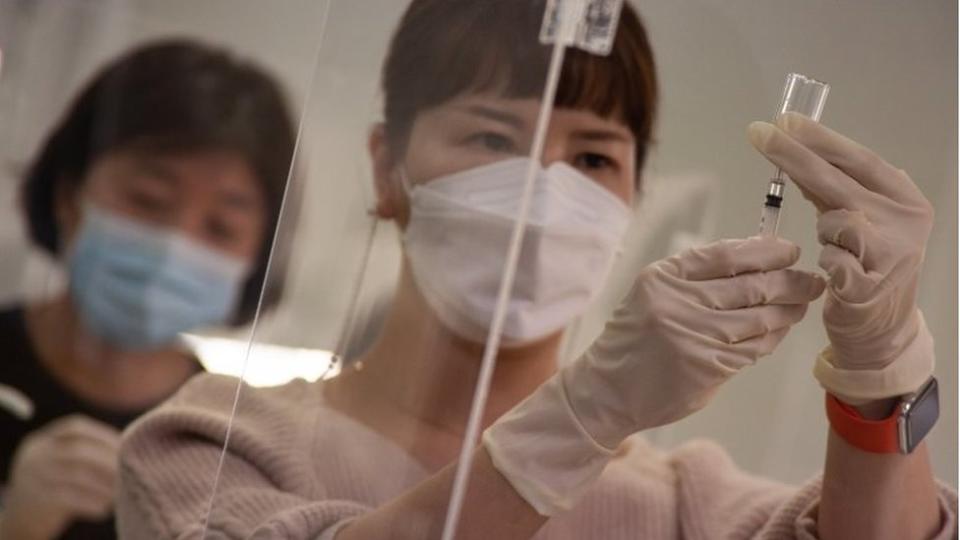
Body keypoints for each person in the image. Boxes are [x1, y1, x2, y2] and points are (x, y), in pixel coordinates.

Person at [116, 2, 957, 539]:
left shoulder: (683, 503)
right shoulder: (217, 444)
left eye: (592, 157)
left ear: (634, 197)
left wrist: (882, 367)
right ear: (386, 169)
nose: (543, 189)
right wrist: (587, 411)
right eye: (491, 139)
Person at [0, 40, 297, 540]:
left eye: (221, 227)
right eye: (148, 199)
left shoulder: (227, 441)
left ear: (256, 256)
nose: (175, 247)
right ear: (69, 195)